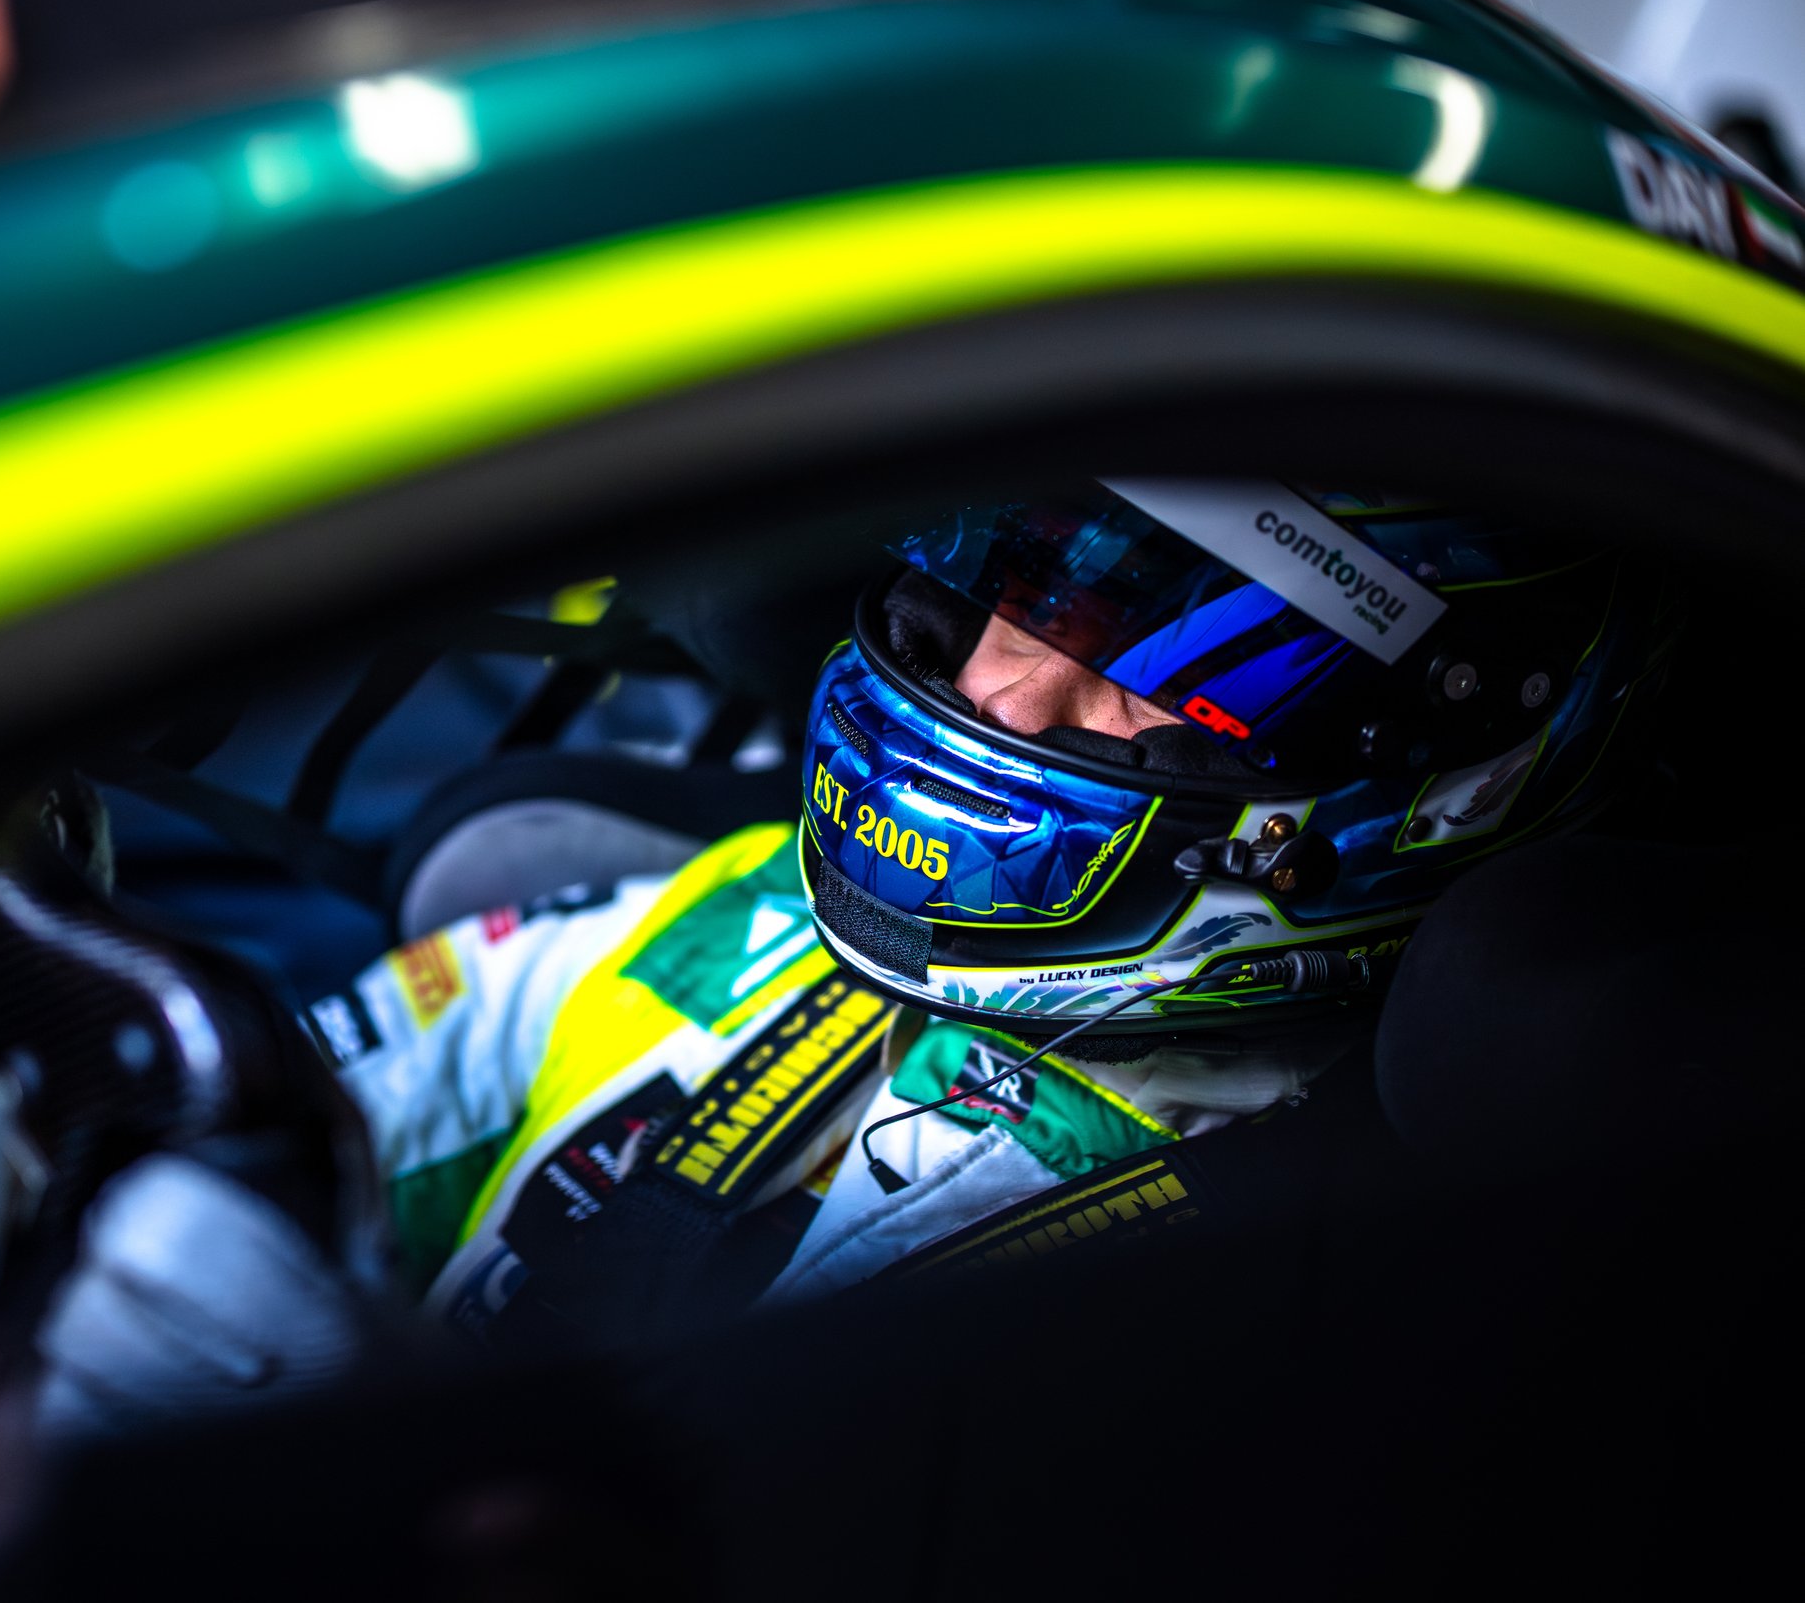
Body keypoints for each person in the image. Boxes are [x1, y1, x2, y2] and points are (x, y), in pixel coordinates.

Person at [293, 477, 1676, 1344]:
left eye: (1179, 661)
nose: (1000, 687)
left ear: (1442, 757)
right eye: (1014, 582)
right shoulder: (744, 917)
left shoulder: (1359, 1304)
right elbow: (292, 1119)